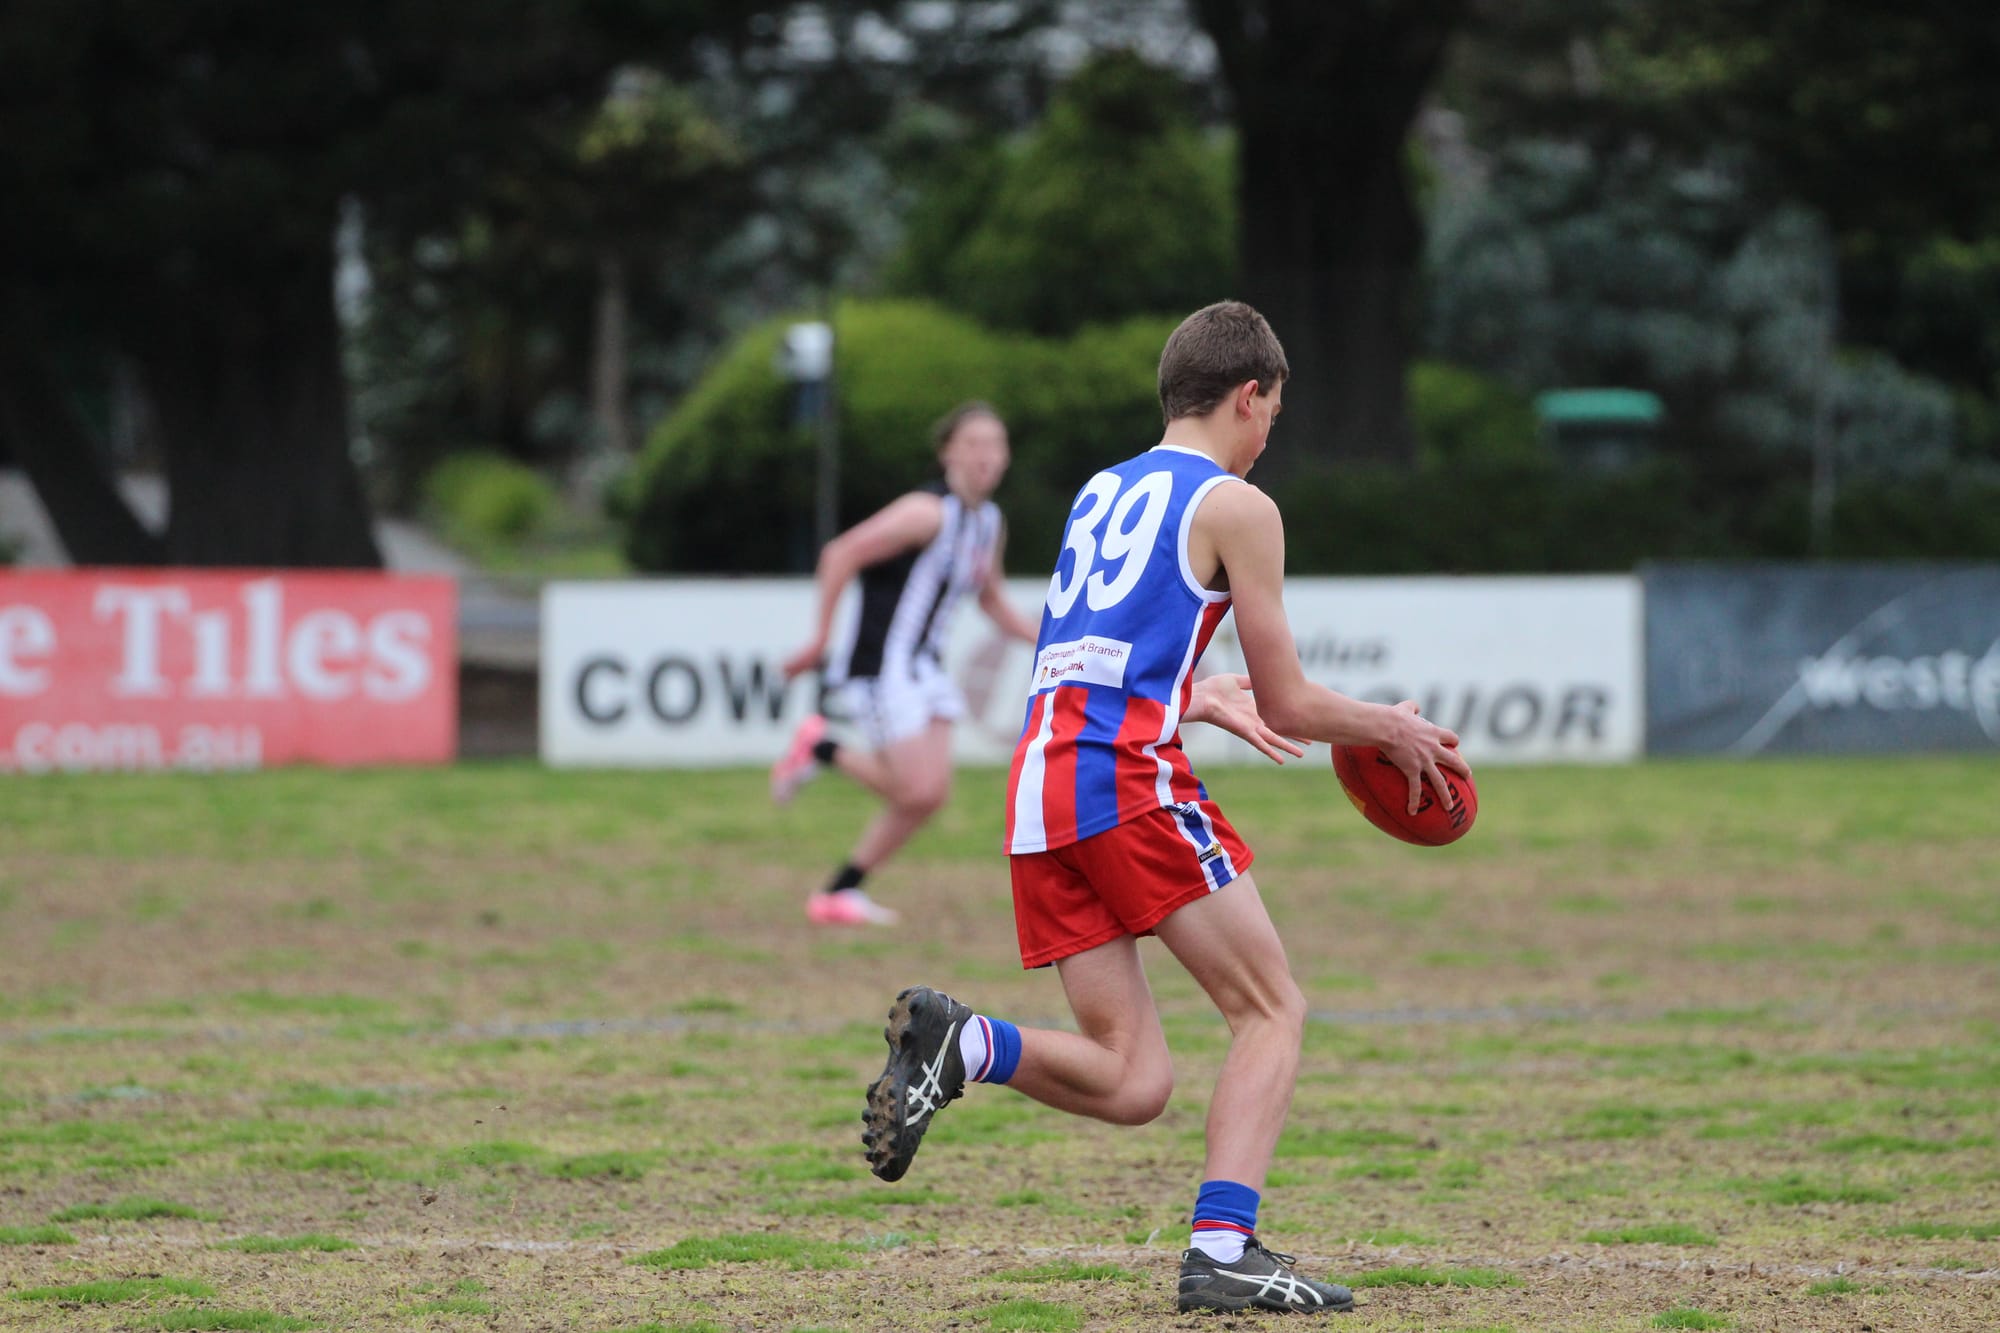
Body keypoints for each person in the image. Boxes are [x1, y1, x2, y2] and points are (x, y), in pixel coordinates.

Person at [858, 302, 1472, 1314]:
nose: (1268, 436)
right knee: (1270, 1008)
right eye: (1273, 413)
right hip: (1125, 784)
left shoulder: (1102, 490)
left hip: (1041, 791)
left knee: (1133, 1079)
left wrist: (1193, 693)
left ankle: (963, 1044)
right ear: (1249, 396)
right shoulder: (1238, 505)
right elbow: (1290, 702)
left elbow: (1085, 664)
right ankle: (1223, 1250)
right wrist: (1386, 729)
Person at [772, 402, 1041, 927]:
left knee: (928, 797)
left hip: (925, 669)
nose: (986, 456)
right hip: (883, 665)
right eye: (973, 444)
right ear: (947, 453)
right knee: (915, 790)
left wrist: (1055, 641)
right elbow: (840, 554)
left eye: (995, 445)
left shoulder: (988, 523)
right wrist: (820, 638)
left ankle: (839, 893)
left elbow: (991, 600)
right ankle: (820, 746)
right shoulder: (926, 512)